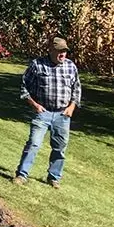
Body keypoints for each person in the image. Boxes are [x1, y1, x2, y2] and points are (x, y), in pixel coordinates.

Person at [13, 37, 82, 189]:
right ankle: (21, 174)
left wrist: (71, 107)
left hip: (62, 115)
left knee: (60, 148)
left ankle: (54, 177)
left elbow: (76, 89)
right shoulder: (37, 64)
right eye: (59, 51)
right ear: (51, 50)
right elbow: (24, 88)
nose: (63, 54)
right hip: (42, 113)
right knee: (34, 143)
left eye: (65, 51)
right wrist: (35, 105)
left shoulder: (71, 67)